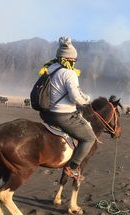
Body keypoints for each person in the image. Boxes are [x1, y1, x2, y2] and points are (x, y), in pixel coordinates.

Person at [39, 36, 96, 178]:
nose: (75, 62)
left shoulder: (50, 68)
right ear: (70, 59)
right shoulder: (69, 73)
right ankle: (72, 167)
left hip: (46, 113)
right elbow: (75, 97)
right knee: (89, 138)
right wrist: (86, 99)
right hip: (62, 115)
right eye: (74, 60)